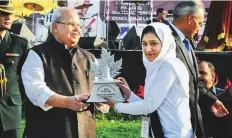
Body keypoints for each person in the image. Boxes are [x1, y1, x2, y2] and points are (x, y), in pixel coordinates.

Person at [21, 7, 108, 138]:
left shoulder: (90, 58)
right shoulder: (37, 54)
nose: (77, 29)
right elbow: (35, 90)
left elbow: (100, 88)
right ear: (55, 27)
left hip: (86, 131)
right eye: (71, 24)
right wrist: (68, 102)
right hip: (47, 131)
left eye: (79, 25)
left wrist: (103, 99)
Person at [106, 22, 193, 138]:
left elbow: (149, 106)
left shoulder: (169, 66)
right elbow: (151, 107)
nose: (148, 49)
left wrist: (117, 106)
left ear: (165, 44)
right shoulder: (158, 65)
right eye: (144, 44)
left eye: (154, 43)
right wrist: (129, 94)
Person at [168, 1, 229, 137]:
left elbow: (190, 79)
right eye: (200, 24)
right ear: (191, 19)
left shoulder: (185, 42)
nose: (199, 29)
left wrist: (211, 100)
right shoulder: (166, 40)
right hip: (172, 123)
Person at [0, 1, 31, 138]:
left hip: (10, 111)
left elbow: (27, 78)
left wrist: (20, 101)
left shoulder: (20, 44)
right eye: (3, 14)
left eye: (10, 14)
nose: (9, 18)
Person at [198, 61, 225, 137]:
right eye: (196, 73)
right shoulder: (189, 98)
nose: (198, 76)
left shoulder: (223, 96)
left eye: (202, 73)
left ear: (213, 76)